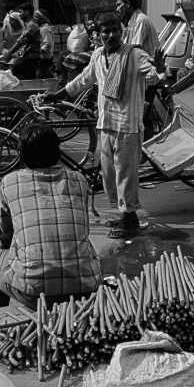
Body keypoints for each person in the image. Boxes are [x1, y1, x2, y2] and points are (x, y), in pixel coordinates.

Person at [44, 13, 167, 238]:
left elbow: (153, 73)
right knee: (109, 174)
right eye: (105, 31)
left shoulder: (134, 54)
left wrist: (160, 68)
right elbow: (84, 79)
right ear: (97, 35)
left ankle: (130, 218)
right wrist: (58, 95)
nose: (111, 35)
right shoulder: (99, 55)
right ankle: (124, 213)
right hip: (106, 124)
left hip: (128, 127)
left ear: (122, 32)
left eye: (115, 30)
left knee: (126, 175)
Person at [0, 122, 101, 310]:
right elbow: (82, 228)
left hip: (33, 293)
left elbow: (2, 239)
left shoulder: (9, 182)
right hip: (85, 288)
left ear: (22, 154)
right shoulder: (79, 180)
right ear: (57, 151)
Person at [3, 2, 41, 79]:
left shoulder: (32, 25)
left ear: (27, 12)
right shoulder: (28, 25)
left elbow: (22, 41)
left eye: (21, 12)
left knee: (12, 72)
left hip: (31, 58)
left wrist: (10, 53)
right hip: (27, 57)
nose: (19, 14)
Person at [35, 9, 54, 78]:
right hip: (44, 58)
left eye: (36, 17)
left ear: (42, 19)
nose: (35, 19)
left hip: (45, 58)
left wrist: (39, 51)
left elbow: (48, 43)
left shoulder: (45, 29)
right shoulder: (42, 28)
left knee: (44, 77)